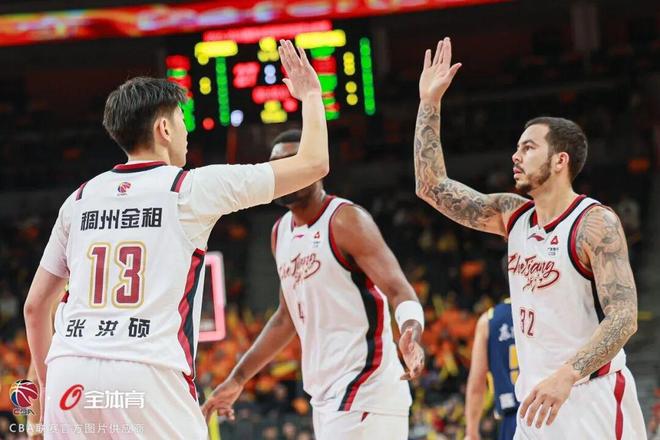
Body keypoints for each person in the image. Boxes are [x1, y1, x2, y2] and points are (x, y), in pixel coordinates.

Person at [23, 40, 329, 439]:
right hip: (146, 372)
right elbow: (313, 164)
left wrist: (46, 391)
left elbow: (35, 308)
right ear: (163, 129)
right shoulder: (190, 188)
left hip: (70, 372)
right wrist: (311, 95)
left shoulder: (78, 199)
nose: (186, 132)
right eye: (182, 120)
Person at [413, 37, 646, 439]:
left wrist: (567, 375)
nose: (515, 156)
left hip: (589, 397)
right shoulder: (513, 215)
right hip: (534, 403)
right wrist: (429, 103)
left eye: (528, 147)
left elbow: (624, 318)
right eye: (517, 148)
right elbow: (431, 187)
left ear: (560, 160)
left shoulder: (594, 223)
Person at [202, 129, 425, 440]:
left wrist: (411, 330)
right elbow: (285, 318)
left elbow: (399, 289)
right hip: (326, 396)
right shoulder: (280, 232)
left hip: (366, 389)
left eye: (292, 162)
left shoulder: (345, 220)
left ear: (316, 166)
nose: (283, 172)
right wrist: (238, 378)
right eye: (276, 165)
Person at [465, 299, 518, 440]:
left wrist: (471, 432)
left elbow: (477, 383)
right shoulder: (545, 310)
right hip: (551, 411)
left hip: (512, 417)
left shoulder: (489, 319)